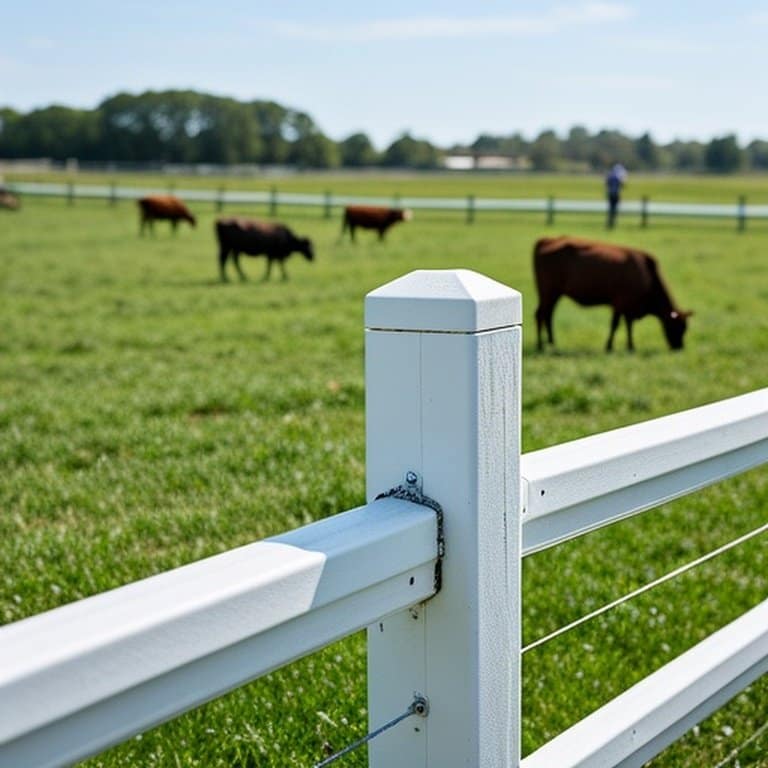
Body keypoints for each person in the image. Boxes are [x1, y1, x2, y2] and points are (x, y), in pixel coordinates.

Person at [605, 163, 627, 229]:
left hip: (610, 194)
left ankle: (610, 222)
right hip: (616, 194)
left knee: (611, 209)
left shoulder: (610, 176)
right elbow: (623, 185)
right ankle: (612, 223)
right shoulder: (618, 177)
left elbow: (607, 184)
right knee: (614, 209)